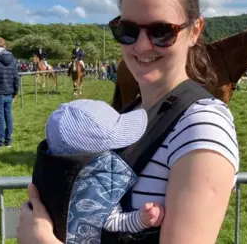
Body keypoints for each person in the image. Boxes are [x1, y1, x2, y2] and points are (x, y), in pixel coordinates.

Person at [17, 0, 239, 243]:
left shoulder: (202, 126)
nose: (142, 45)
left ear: (194, 31)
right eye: (128, 31)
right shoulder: (128, 115)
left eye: (161, 32)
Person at [42, 100, 165, 235]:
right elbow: (112, 221)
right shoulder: (92, 181)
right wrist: (141, 220)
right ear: (98, 152)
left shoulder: (49, 168)